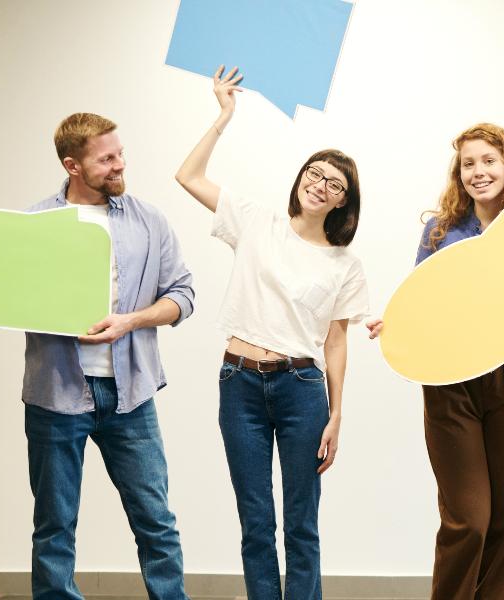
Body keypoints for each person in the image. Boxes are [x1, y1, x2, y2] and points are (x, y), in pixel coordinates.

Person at [174, 66, 369, 600]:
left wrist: (336, 412)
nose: (321, 183)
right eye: (316, 172)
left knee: (301, 525)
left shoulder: (344, 264)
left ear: (342, 203)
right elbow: (188, 177)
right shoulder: (257, 221)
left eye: (335, 183)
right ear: (302, 177)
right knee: (256, 523)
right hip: (238, 385)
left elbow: (336, 342)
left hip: (302, 391)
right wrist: (224, 116)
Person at [365, 123, 504, 600]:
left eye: (488, 161)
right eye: (469, 164)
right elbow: (418, 298)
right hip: (448, 379)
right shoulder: (439, 232)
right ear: (459, 173)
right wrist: (392, 324)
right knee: (468, 519)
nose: (479, 172)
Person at [23, 112, 194, 599]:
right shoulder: (36, 224)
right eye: (107, 159)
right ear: (72, 165)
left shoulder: (148, 220)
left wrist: (131, 321)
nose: (120, 164)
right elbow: (7, 297)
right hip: (55, 395)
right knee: (54, 527)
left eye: (120, 153)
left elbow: (182, 295)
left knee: (156, 521)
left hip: (131, 396)